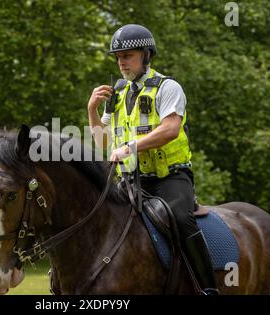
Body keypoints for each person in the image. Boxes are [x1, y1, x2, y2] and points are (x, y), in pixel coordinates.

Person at [87, 24, 219, 295]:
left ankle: (208, 289)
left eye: (128, 55)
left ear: (146, 55)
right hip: (130, 180)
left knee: (182, 219)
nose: (121, 62)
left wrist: (129, 148)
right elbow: (101, 142)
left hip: (170, 178)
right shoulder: (118, 94)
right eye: (118, 57)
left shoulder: (168, 87)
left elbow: (170, 129)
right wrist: (92, 109)